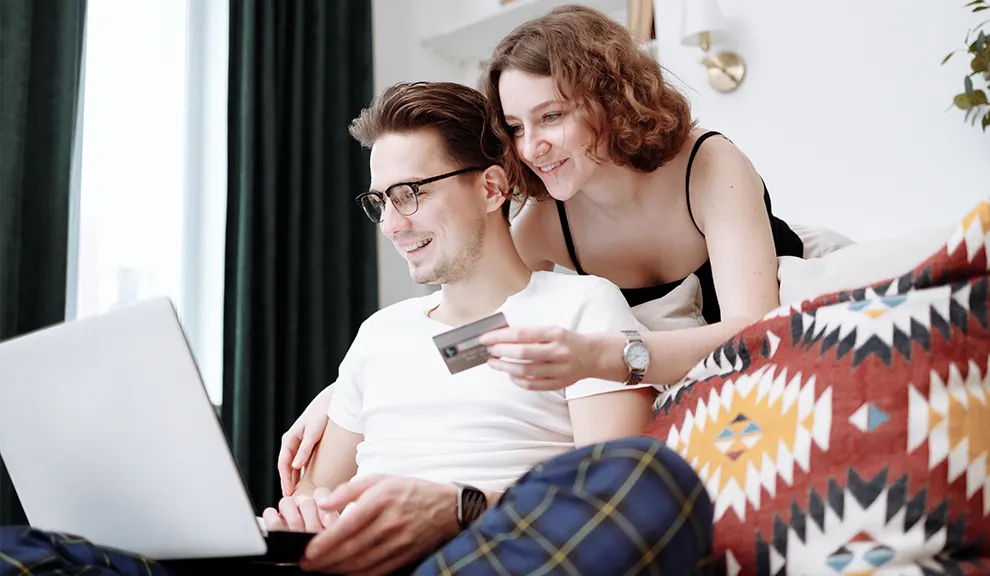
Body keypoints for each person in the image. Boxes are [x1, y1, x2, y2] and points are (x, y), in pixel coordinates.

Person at [277, 4, 851, 490]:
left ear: (611, 99)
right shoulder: (551, 217)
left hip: (770, 302)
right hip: (649, 351)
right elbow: (488, 323)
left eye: (550, 117)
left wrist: (604, 357)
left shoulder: (707, 164)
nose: (533, 147)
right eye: (517, 127)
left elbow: (756, 330)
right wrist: (349, 385)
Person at [260, 80, 711, 576]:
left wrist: (459, 510)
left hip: (489, 553)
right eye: (380, 202)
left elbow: (612, 494)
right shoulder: (380, 334)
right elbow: (310, 497)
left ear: (492, 188)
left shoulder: (579, 307)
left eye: (409, 194)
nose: (390, 225)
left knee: (655, 479)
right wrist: (302, 518)